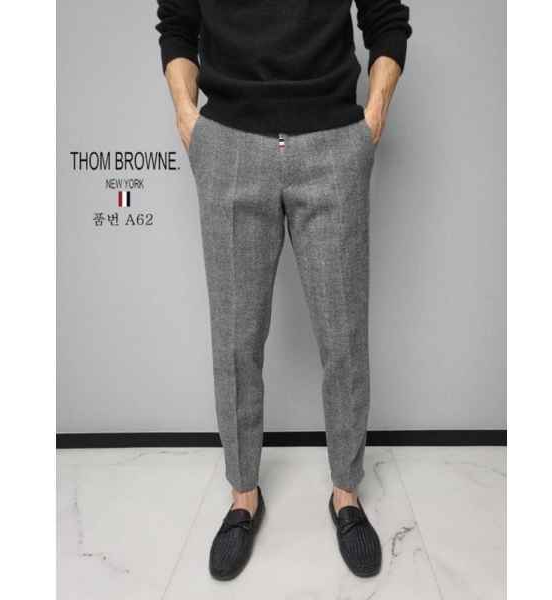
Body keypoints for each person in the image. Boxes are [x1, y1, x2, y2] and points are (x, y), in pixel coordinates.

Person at [156, 0, 412, 580]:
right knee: (235, 339)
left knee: (343, 335)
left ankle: (346, 494)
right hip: (229, 144)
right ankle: (243, 497)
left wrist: (372, 116)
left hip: (332, 142)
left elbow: (386, 18)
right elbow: (177, 23)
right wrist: (187, 118)